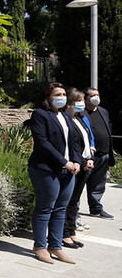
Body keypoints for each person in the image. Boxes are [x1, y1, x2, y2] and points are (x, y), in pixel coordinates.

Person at [28, 82, 81, 265]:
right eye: (57, 94)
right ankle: (40, 246)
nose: (62, 97)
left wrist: (76, 161)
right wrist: (64, 162)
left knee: (60, 209)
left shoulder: (66, 116)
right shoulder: (40, 115)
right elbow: (42, 143)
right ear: (48, 97)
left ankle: (55, 246)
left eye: (64, 94)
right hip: (46, 169)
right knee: (45, 208)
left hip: (67, 171)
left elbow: (74, 141)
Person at [62, 88, 95, 248]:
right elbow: (72, 145)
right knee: (67, 200)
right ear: (70, 103)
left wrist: (89, 159)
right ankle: (64, 234)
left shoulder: (79, 118)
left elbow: (86, 141)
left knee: (75, 201)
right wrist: (82, 161)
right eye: (79, 101)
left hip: (84, 164)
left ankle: (71, 230)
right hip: (74, 165)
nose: (82, 104)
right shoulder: (67, 119)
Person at [84, 87, 116, 219]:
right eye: (92, 96)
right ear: (86, 98)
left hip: (103, 155)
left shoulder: (103, 111)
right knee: (78, 186)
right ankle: (73, 215)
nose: (96, 98)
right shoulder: (81, 113)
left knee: (98, 184)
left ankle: (96, 208)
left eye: (97, 95)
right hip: (88, 157)